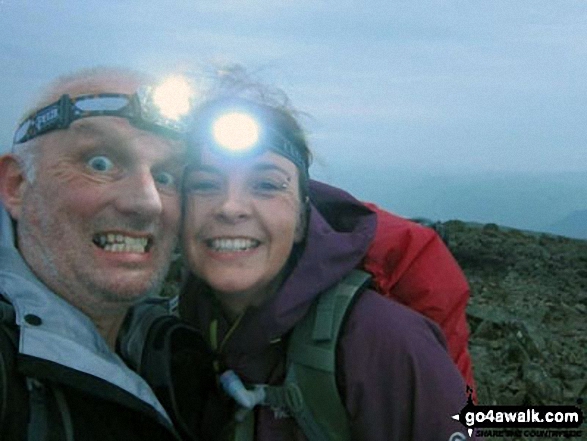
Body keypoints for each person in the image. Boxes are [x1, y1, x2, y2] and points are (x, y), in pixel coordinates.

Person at [174, 75, 474, 440]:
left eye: (266, 185)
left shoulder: (384, 344)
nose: (230, 207)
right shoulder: (169, 328)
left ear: (302, 219)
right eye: (205, 184)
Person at [0, 67, 190, 440]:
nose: (147, 203)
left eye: (165, 176)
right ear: (17, 185)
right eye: (99, 163)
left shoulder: (179, 354)